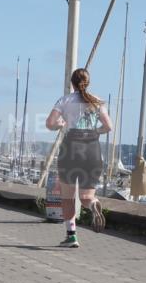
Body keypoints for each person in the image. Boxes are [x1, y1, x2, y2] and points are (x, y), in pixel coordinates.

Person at [45, 68, 112, 248]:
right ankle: (93, 205)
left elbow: (50, 123)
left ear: (72, 83)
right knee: (86, 196)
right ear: (88, 82)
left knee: (68, 197)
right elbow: (108, 126)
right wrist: (94, 131)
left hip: (71, 147)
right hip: (92, 149)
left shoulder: (65, 100)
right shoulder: (97, 101)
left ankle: (71, 236)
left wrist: (60, 124)